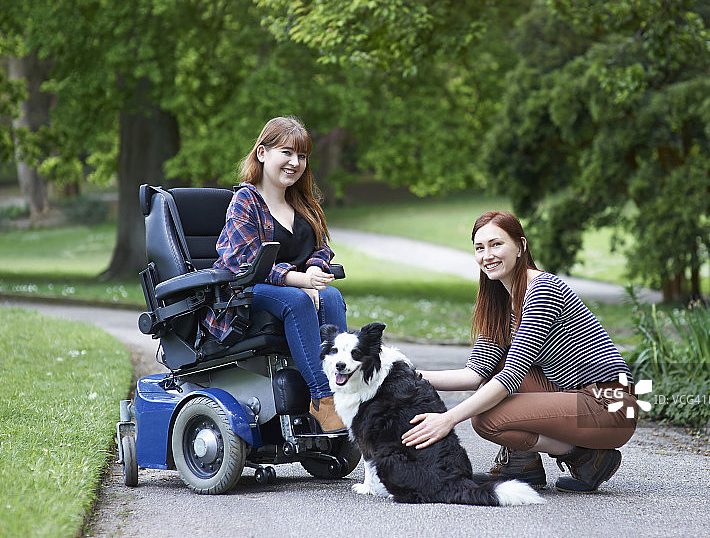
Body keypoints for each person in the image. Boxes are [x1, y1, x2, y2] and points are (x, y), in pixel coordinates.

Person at [401, 211, 637, 493]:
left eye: (496, 244)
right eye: (479, 248)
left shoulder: (542, 289)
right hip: (574, 394)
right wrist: (405, 373)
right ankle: (523, 464)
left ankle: (586, 455)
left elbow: (511, 376)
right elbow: (475, 373)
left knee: (487, 418)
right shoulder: (500, 300)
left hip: (610, 404)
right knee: (492, 374)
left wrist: (447, 419)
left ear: (521, 246)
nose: (487, 255)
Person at [203, 116, 347, 433]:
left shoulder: (304, 203)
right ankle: (323, 399)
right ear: (263, 153)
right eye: (287, 152)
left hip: (294, 289)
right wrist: (299, 280)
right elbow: (245, 259)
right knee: (297, 300)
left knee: (332, 296)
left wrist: (312, 269)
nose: (295, 162)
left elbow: (321, 249)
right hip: (243, 295)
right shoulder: (245, 201)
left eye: (302, 156)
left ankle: (343, 392)